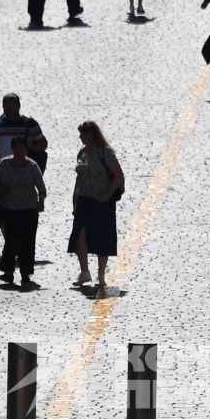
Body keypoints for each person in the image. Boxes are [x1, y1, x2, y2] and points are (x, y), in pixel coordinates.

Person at [69, 120, 123, 296]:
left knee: (102, 237)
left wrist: (107, 195)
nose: (80, 137)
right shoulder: (82, 153)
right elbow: (80, 177)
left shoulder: (105, 153)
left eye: (83, 134)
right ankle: (85, 272)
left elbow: (118, 176)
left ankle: (101, 274)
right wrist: (75, 198)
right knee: (80, 233)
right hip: (84, 199)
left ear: (91, 134)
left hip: (102, 201)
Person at [0, 135, 46, 289]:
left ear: (26, 149)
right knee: (10, 242)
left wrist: (40, 201)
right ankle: (8, 271)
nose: (19, 152)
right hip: (9, 209)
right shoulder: (4, 165)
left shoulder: (32, 166)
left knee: (28, 242)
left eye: (22, 149)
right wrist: (2, 189)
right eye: (16, 149)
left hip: (29, 210)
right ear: (13, 149)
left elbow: (41, 187)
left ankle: (25, 273)